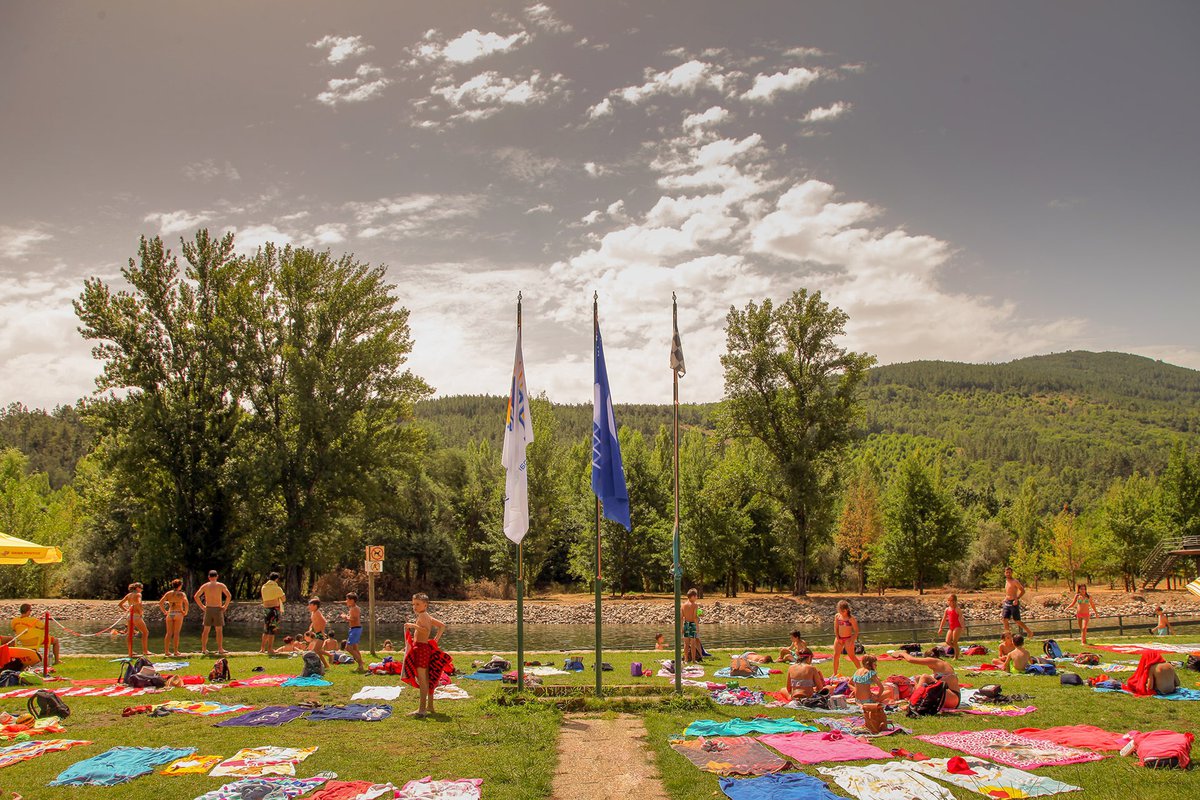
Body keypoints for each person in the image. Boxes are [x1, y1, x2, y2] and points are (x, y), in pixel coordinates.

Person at [405, 592, 446, 718]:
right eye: (413, 604)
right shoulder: (426, 615)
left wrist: (413, 626)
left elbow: (426, 630)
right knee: (427, 679)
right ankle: (430, 706)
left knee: (422, 680)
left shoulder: (423, 616)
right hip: (424, 648)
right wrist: (435, 640)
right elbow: (442, 626)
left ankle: (421, 709)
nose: (415, 607)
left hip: (422, 649)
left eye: (417, 604)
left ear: (425, 605)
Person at [892, 649, 960, 710]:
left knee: (925, 677)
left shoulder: (934, 661)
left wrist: (902, 653)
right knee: (918, 677)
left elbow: (911, 659)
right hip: (949, 697)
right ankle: (914, 699)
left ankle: (912, 703)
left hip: (953, 698)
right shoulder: (942, 665)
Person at [193, 570, 232, 655]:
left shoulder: (205, 586)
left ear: (209, 577)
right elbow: (229, 596)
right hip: (218, 608)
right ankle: (220, 649)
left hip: (208, 608)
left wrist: (202, 606)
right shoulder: (221, 585)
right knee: (219, 630)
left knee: (206, 630)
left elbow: (196, 596)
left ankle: (204, 649)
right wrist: (225, 606)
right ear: (217, 576)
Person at [117, 582, 152, 657]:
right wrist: (140, 612)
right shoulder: (138, 594)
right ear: (137, 588)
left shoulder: (129, 595)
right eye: (141, 588)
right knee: (145, 632)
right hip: (136, 616)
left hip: (130, 616)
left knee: (130, 634)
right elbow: (139, 603)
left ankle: (130, 651)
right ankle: (145, 651)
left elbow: (120, 604)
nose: (142, 590)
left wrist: (127, 610)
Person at [158, 579, 189, 657]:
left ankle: (166, 651)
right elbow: (186, 603)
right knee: (176, 633)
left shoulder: (168, 593)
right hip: (178, 613)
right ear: (179, 585)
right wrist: (185, 612)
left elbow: (160, 603)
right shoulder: (182, 594)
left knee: (168, 633)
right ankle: (175, 651)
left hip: (171, 613)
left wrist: (165, 611)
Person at [1001, 567, 1034, 637]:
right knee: (1004, 619)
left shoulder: (1015, 581)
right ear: (1005, 573)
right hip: (1007, 602)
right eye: (1007, 572)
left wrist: (1017, 598)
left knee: (1017, 620)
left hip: (1013, 602)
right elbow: (1009, 592)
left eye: (1009, 572)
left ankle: (1029, 631)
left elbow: (1023, 590)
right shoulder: (1006, 581)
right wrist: (1005, 598)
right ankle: (1007, 636)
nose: (1008, 574)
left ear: (1012, 573)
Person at [337, 592, 366, 671]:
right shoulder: (352, 608)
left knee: (348, 648)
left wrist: (345, 617)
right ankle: (360, 665)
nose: (346, 601)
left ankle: (360, 663)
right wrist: (347, 616)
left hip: (356, 629)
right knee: (355, 648)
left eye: (347, 600)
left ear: (352, 600)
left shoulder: (355, 609)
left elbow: (354, 619)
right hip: (353, 629)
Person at [832, 600, 861, 676]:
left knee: (852, 656)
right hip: (839, 638)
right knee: (835, 656)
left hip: (848, 638)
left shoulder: (851, 619)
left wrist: (852, 640)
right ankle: (834, 673)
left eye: (843, 611)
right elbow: (836, 627)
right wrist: (838, 637)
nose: (841, 613)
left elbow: (856, 631)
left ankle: (861, 671)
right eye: (840, 611)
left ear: (847, 610)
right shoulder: (837, 616)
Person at [260, 571, 286, 655]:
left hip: (266, 609)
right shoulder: (277, 588)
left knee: (266, 630)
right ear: (277, 579)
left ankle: (262, 649)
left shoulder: (264, 587)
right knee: (272, 630)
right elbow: (284, 599)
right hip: (274, 610)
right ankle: (270, 649)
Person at [937, 594, 965, 659]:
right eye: (949, 600)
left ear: (955, 601)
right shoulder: (947, 609)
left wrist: (963, 627)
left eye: (952, 601)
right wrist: (940, 628)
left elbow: (961, 618)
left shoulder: (957, 609)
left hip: (957, 626)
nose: (950, 602)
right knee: (947, 641)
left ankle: (956, 656)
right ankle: (957, 651)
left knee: (955, 642)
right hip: (951, 627)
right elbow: (943, 619)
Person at [306, 598, 330, 667]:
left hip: (320, 633)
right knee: (318, 651)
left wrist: (322, 631)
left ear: (315, 606)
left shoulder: (317, 613)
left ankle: (330, 655)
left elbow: (324, 621)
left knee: (316, 650)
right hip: (317, 633)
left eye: (310, 605)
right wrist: (310, 628)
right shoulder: (313, 613)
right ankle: (326, 665)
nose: (309, 607)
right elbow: (313, 622)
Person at [681, 589, 700, 663]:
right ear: (692, 596)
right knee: (693, 643)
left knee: (686, 644)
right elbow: (695, 617)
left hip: (686, 624)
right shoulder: (695, 605)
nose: (696, 598)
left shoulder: (683, 605)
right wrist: (697, 627)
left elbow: (681, 617)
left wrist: (682, 627)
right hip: (692, 624)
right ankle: (693, 660)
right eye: (695, 596)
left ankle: (685, 659)